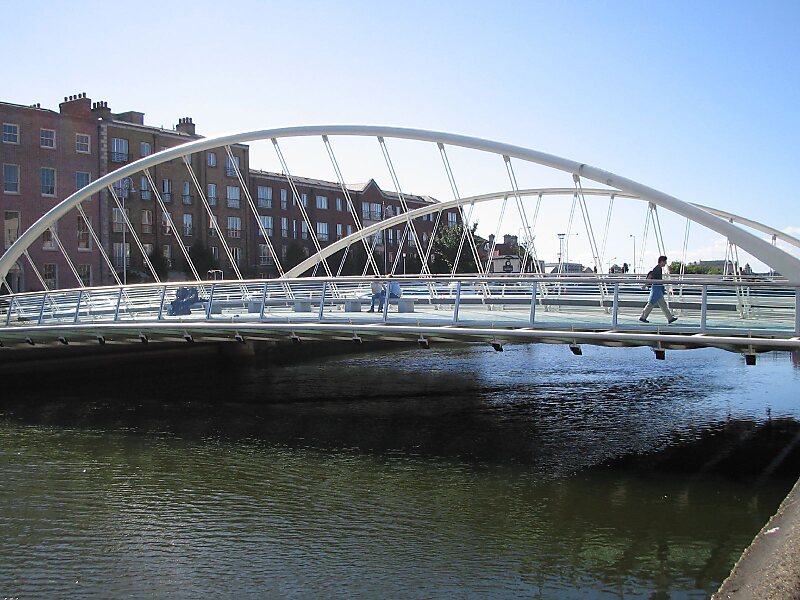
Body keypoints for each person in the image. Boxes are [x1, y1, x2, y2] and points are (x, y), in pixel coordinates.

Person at [639, 256, 677, 324]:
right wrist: (644, 285)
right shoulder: (657, 268)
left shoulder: (658, 268)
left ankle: (670, 318)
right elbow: (651, 275)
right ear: (661, 261)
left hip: (657, 288)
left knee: (662, 304)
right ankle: (642, 317)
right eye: (665, 261)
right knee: (651, 304)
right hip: (656, 289)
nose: (665, 263)